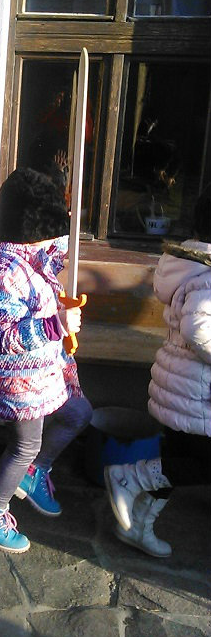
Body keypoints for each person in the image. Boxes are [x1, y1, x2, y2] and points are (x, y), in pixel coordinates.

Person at [0, 167, 92, 553]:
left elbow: (56, 252)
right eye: (53, 232)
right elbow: (2, 337)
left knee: (78, 412)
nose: (58, 242)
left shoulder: (35, 257)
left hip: (45, 370)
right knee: (24, 446)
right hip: (19, 378)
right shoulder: (5, 273)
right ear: (33, 230)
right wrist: (56, 324)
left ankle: (35, 472)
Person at [105, 189, 211, 558]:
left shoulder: (192, 263)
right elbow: (199, 329)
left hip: (181, 386)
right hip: (195, 392)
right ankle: (128, 478)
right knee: (198, 464)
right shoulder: (208, 274)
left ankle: (137, 526)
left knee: (176, 462)